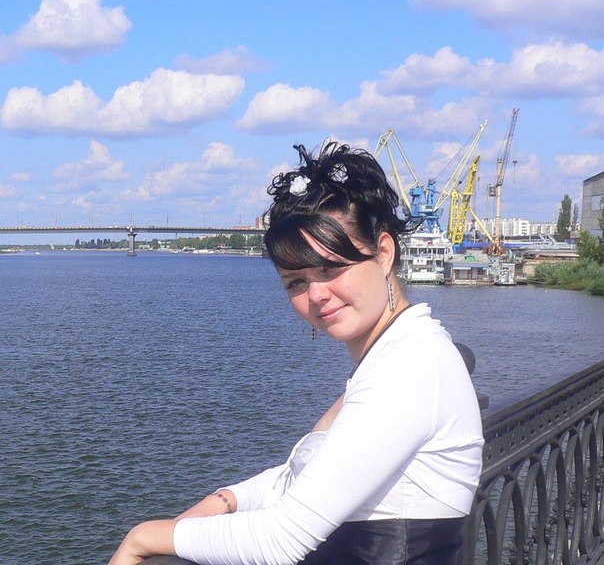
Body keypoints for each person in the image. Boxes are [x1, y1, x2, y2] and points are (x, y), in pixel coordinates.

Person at [109, 141, 484, 565]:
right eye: (296, 282)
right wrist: (228, 499)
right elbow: (302, 475)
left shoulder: (408, 368)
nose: (316, 294)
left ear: (383, 253)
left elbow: (281, 538)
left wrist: (143, 537)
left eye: (330, 268)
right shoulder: (398, 352)